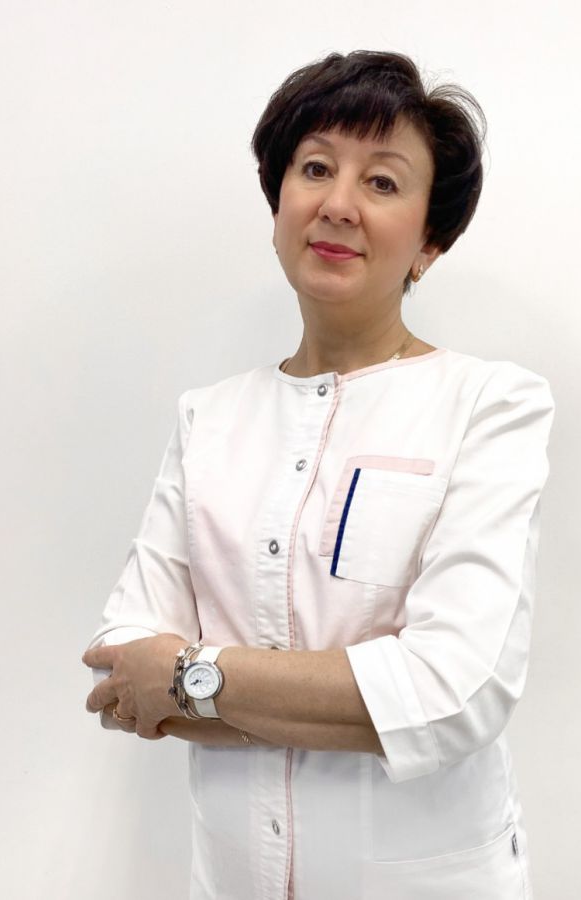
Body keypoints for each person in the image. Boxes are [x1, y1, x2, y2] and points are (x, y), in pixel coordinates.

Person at [82, 49, 555, 900]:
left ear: (430, 241)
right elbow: (120, 666)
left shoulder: (488, 405)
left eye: (382, 182)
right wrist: (357, 703)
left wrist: (189, 677)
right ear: (277, 205)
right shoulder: (208, 418)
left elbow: (454, 691)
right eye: (314, 169)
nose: (338, 204)